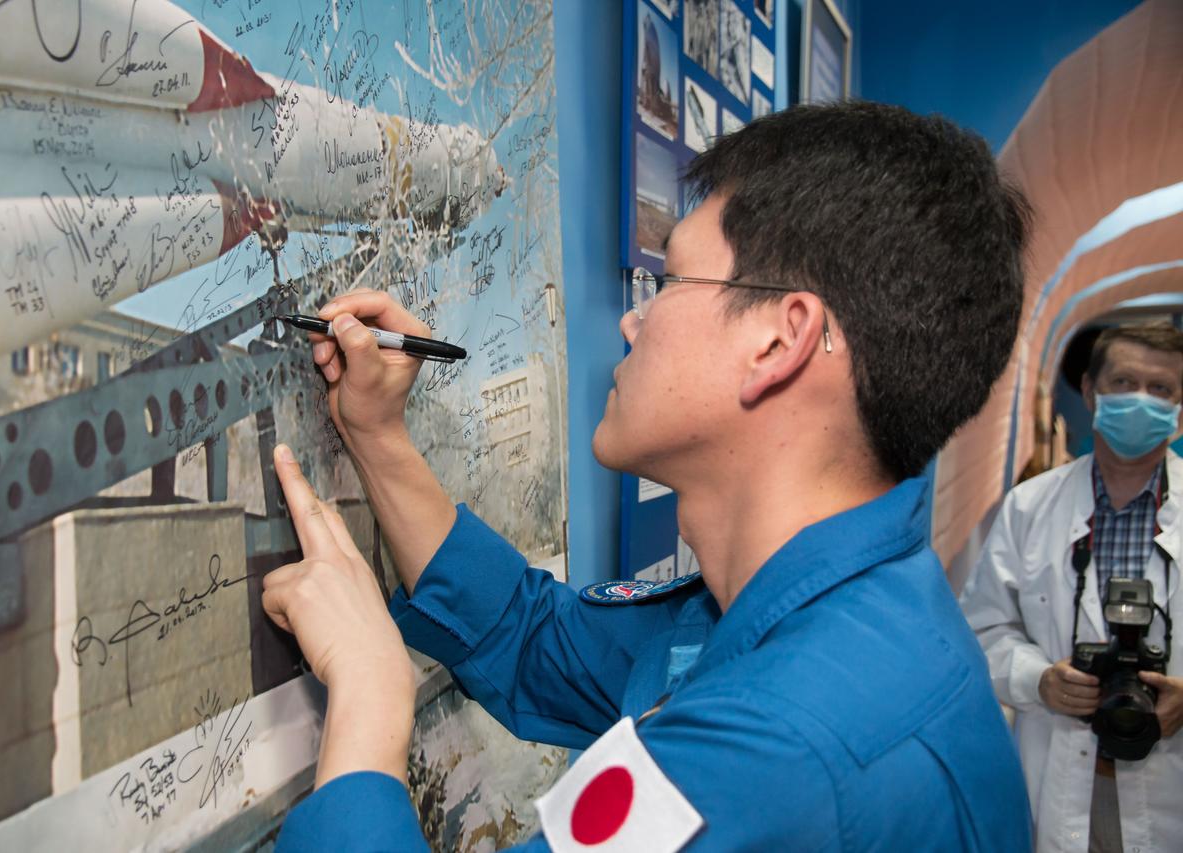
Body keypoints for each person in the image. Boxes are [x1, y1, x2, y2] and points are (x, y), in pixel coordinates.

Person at [262, 101, 1033, 851]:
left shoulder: (786, 751)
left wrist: (368, 691)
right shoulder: (791, 611)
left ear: (778, 341)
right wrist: (377, 434)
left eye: (671, 282)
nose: (632, 320)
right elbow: (532, 640)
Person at [959, 323, 1183, 853]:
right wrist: (1038, 680)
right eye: (1124, 382)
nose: (1140, 401)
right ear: (1089, 391)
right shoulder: (1029, 508)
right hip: (1061, 785)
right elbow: (980, 630)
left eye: (1161, 390)